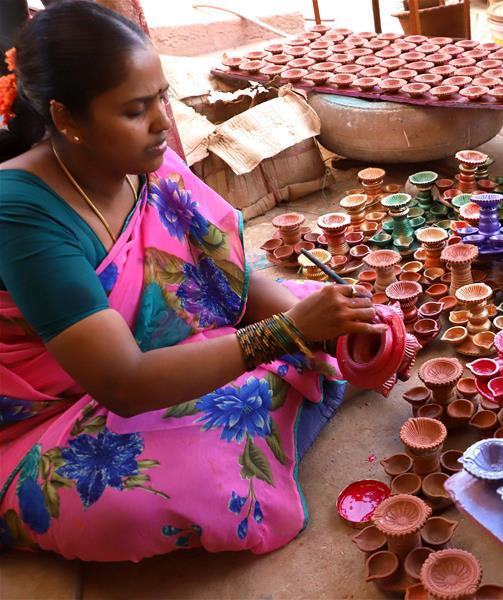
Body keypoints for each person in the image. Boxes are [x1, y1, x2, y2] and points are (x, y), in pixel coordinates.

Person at [0, 1, 384, 561]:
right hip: (58, 407)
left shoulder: (146, 164)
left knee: (346, 313)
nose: (162, 122)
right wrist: (285, 335)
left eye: (160, 97)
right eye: (135, 109)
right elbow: (123, 384)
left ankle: (279, 395)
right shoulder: (22, 214)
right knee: (148, 496)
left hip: (158, 363)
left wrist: (316, 326)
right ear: (66, 118)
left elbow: (224, 274)